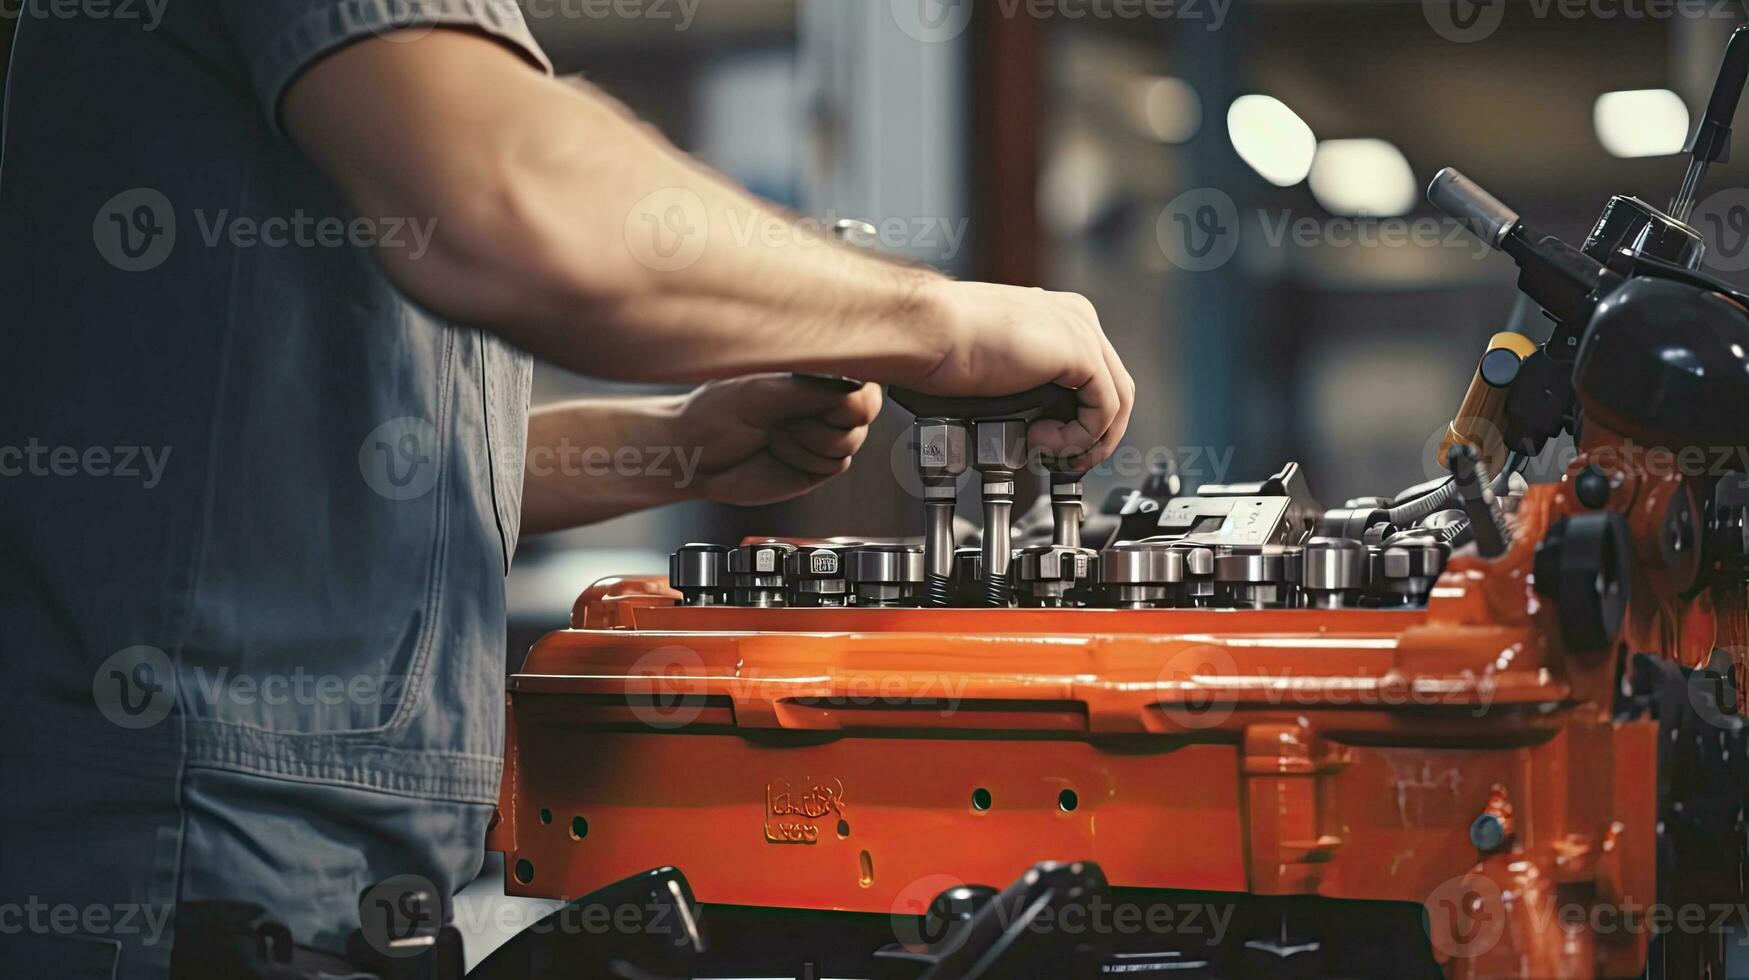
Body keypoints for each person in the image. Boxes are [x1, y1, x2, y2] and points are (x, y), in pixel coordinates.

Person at [0, 3, 1133, 977]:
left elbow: (297, 464)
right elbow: (517, 201)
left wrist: (674, 448)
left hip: (327, 874)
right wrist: (936, 321)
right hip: (187, 874)